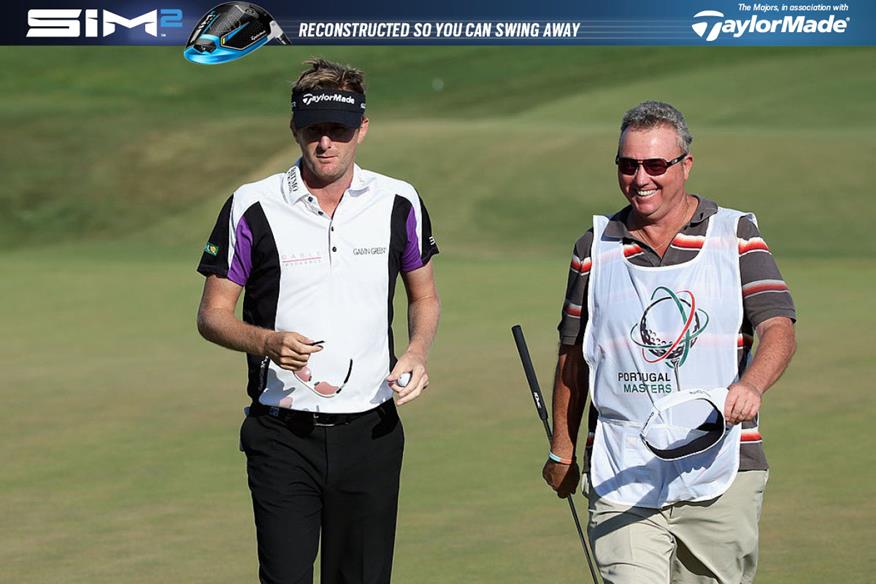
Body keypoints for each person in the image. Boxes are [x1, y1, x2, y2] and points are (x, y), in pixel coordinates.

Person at [195, 58, 440, 584]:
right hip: (282, 435)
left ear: (363, 130)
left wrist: (417, 352)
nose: (326, 143)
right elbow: (213, 315)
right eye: (314, 130)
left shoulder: (399, 201)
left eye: (339, 130)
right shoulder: (251, 205)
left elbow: (424, 297)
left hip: (371, 431)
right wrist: (266, 342)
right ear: (294, 129)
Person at [543, 101, 796, 584]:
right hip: (622, 470)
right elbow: (573, 356)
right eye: (628, 165)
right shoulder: (594, 247)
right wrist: (563, 449)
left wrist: (753, 384)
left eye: (656, 165)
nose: (641, 178)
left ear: (685, 165)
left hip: (722, 469)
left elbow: (778, 326)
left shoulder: (736, 235)